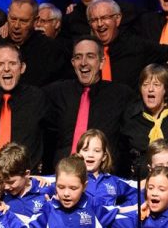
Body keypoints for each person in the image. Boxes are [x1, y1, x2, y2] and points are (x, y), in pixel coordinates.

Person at [44, 35, 135, 166]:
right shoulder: (56, 93)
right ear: (73, 63)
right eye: (78, 57)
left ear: (102, 62)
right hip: (62, 173)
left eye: (90, 56)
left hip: (104, 174)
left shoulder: (122, 95)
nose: (83, 62)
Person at [0, 0, 68, 89]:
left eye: (23, 21)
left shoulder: (50, 49)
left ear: (36, 21)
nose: (16, 26)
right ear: (8, 15)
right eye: (13, 19)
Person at [121, 63, 168, 176]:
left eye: (156, 84)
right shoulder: (130, 116)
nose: (150, 89)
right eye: (145, 85)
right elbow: (123, 157)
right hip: (141, 182)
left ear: (165, 89)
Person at [86, 0, 167, 90]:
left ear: (118, 19)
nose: (100, 24)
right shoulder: (86, 52)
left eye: (104, 18)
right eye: (94, 20)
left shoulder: (136, 46)